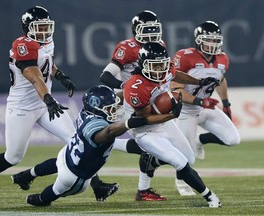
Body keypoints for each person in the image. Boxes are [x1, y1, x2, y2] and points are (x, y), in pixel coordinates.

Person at [0, 5, 118, 202]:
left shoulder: (46, 42)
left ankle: (97, 186)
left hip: (44, 103)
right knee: (13, 157)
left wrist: (60, 76)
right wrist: (49, 100)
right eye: (39, 27)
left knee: (77, 140)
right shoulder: (23, 45)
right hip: (23, 107)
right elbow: (35, 77)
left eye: (46, 26)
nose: (44, 31)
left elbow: (47, 63)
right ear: (27, 27)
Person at [123, 41, 222, 208]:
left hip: (163, 120)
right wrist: (171, 115)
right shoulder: (135, 87)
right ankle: (210, 196)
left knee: (189, 158)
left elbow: (175, 74)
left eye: (162, 65)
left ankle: (151, 161)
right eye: (154, 66)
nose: (160, 70)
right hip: (144, 130)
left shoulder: (166, 68)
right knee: (180, 162)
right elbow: (145, 118)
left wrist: (198, 82)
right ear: (143, 65)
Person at [22, 85, 148, 206]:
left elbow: (116, 99)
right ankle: (41, 199)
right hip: (75, 174)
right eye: (110, 108)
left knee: (56, 163)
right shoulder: (95, 126)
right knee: (56, 190)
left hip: (68, 154)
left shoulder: (87, 111)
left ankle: (27, 175)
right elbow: (108, 132)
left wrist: (134, 91)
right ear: (97, 107)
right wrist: (127, 124)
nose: (114, 110)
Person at [172, 20, 240, 161]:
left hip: (205, 107)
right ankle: (181, 183)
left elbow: (220, 80)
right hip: (186, 111)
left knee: (233, 139)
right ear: (198, 40)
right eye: (208, 40)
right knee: (187, 157)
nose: (212, 43)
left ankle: (200, 140)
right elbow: (176, 91)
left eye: (215, 40)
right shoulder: (185, 57)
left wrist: (226, 104)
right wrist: (200, 101)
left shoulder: (222, 58)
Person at [100, 10, 163, 156]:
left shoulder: (159, 45)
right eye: (147, 30)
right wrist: (124, 86)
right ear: (136, 30)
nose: (151, 34)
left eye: (154, 30)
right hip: (131, 99)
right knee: (149, 145)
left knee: (156, 144)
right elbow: (105, 76)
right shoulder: (127, 47)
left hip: (150, 96)